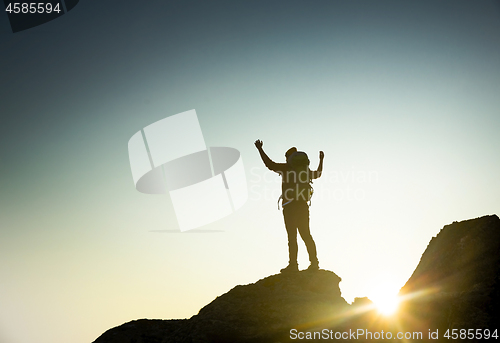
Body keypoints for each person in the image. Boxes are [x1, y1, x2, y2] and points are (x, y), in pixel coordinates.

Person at [255, 139, 324, 272]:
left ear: (288, 158)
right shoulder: (305, 171)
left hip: (289, 207)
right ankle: (314, 263)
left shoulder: (286, 168)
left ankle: (293, 265)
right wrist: (321, 160)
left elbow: (269, 164)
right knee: (306, 235)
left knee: (292, 237)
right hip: (303, 206)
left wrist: (260, 149)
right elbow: (318, 174)